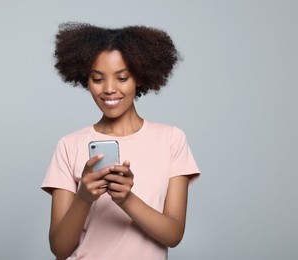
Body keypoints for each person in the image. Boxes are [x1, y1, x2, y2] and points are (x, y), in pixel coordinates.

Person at [41, 22, 200, 260]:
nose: (109, 89)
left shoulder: (171, 140)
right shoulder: (69, 145)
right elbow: (60, 249)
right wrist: (84, 197)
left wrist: (125, 199)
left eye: (122, 77)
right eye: (97, 79)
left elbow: (173, 234)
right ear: (86, 81)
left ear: (140, 77)